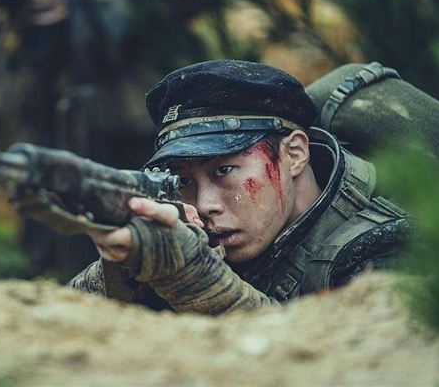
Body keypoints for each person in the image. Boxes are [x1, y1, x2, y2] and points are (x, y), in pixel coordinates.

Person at [68, 60, 410, 315]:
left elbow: (326, 362)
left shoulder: (383, 249)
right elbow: (64, 326)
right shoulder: (214, 231)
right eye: (184, 180)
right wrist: (126, 266)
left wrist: (192, 277)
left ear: (294, 154)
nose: (204, 205)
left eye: (223, 170)